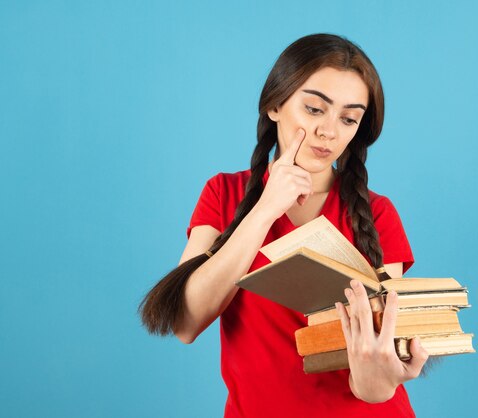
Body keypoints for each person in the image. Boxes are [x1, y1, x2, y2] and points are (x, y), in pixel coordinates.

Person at [139, 33, 429, 418]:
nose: (329, 131)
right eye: (314, 109)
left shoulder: (378, 215)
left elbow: (372, 387)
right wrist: (265, 210)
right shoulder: (222, 193)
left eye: (348, 118)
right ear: (275, 105)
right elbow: (185, 323)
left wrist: (383, 375)